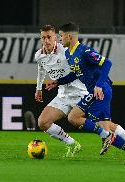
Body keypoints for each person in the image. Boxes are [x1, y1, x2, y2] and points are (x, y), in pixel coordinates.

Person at [46, 22, 125, 162]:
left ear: (69, 36)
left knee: (89, 122)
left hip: (101, 90)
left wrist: (98, 85)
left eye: (61, 36)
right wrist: (58, 82)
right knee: (95, 124)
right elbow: (76, 74)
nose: (59, 39)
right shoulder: (68, 53)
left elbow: (107, 63)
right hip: (93, 92)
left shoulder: (84, 51)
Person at [34, 25, 88, 157]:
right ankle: (72, 144)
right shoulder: (39, 56)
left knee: (102, 123)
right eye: (43, 37)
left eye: (49, 37)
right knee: (43, 122)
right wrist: (38, 88)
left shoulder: (65, 50)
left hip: (81, 93)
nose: (46, 40)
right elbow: (41, 70)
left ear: (55, 38)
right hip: (63, 95)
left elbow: (81, 67)